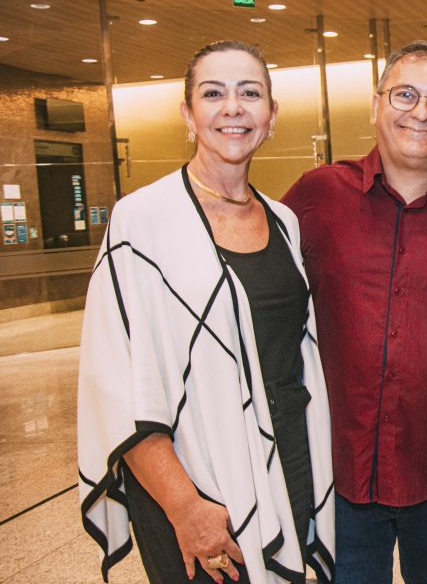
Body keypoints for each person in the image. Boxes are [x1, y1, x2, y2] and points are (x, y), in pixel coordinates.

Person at [78, 40, 335, 584]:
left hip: (287, 459)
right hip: (193, 486)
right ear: (187, 115)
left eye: (250, 93)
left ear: (271, 117)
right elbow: (116, 383)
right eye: (212, 93)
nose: (232, 108)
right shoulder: (141, 221)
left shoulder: (285, 222)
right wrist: (184, 507)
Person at [282, 41, 427, 584]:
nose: (421, 113)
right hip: (338, 476)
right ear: (376, 103)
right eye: (405, 95)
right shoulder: (318, 197)